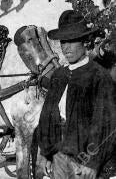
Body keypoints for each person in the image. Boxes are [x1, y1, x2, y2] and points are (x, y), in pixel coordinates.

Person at [37, 10, 116, 179]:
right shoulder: (59, 76)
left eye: (72, 41)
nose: (66, 47)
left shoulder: (98, 76)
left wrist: (92, 162)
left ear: (85, 42)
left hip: (84, 158)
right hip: (59, 153)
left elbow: (105, 125)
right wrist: (46, 153)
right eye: (63, 41)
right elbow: (47, 116)